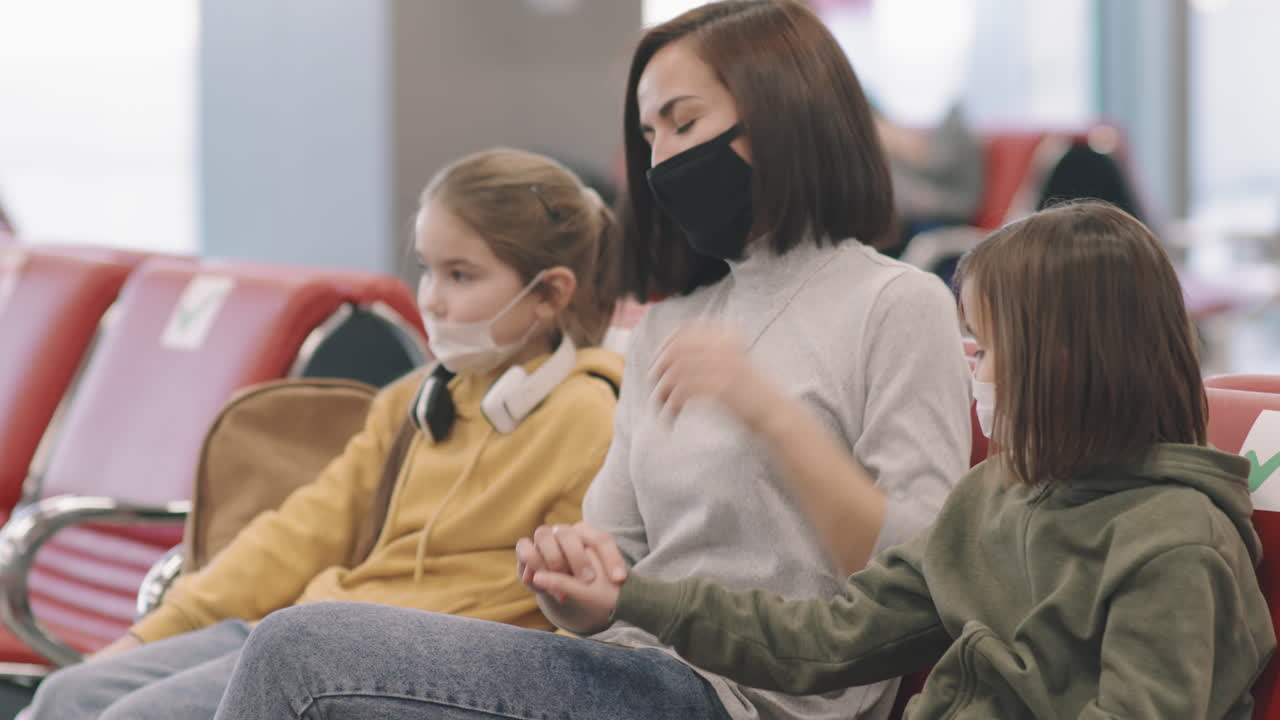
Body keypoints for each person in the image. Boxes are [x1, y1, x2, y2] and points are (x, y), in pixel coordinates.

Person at [209, 2, 971, 719]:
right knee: (292, 643)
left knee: (301, 651)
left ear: (782, 119)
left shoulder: (897, 305)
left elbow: (918, 580)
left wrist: (769, 412)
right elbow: (617, 560)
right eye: (649, 137)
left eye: (684, 123)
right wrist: (569, 587)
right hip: (630, 669)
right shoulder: (674, 321)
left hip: (753, 699)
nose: (660, 158)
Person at [532, 201, 1277, 719]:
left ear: (1062, 363)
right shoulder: (996, 493)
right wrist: (628, 600)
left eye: (985, 347)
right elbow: (824, 640)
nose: (971, 369)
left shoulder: (1175, 545)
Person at [21, 148, 625, 720]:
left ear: (549, 294)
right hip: (305, 629)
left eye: (461, 276)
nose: (432, 301)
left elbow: (561, 625)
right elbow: (302, 531)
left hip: (380, 666)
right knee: (68, 696)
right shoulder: (417, 399)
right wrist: (148, 634)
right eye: (427, 270)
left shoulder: (588, 420)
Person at [875, 102, 985, 258]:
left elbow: (938, 166)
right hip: (910, 218)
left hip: (938, 219)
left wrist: (909, 149)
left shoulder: (955, 135)